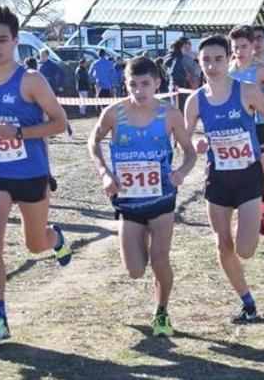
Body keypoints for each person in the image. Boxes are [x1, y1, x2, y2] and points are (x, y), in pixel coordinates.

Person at [0, 6, 72, 345]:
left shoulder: (30, 80)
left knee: (34, 243)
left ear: (16, 41)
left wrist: (20, 133)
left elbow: (60, 122)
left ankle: (56, 239)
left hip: (30, 173)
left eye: (3, 40)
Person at [87, 56, 196, 337]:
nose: (138, 91)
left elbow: (190, 150)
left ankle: (162, 311)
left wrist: (182, 171)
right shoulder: (113, 113)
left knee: (160, 259)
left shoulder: (169, 114)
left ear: (157, 83)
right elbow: (93, 141)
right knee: (136, 270)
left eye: (145, 84)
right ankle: (142, 240)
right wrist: (104, 173)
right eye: (132, 85)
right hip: (129, 202)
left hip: (162, 199)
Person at [184, 35, 264, 324]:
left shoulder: (247, 90)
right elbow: (183, 140)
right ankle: (247, 302)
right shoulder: (195, 101)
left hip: (248, 175)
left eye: (218, 59)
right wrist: (195, 146)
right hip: (218, 178)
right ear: (199, 63)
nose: (212, 66)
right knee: (223, 245)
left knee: (244, 250)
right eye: (206, 60)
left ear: (228, 60)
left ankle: (256, 215)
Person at [227, 24, 264, 234]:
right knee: (239, 172)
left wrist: (258, 98)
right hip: (235, 130)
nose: (240, 52)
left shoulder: (261, 70)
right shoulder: (229, 69)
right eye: (236, 47)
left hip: (257, 126)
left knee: (259, 172)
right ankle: (245, 214)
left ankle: (263, 211)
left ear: (252, 46)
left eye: (244, 46)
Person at [166, 38, 197, 111]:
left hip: (174, 87)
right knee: (182, 110)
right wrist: (184, 77)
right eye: (184, 47)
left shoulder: (171, 57)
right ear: (181, 48)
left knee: (177, 109)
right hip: (179, 87)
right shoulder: (178, 59)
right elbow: (174, 73)